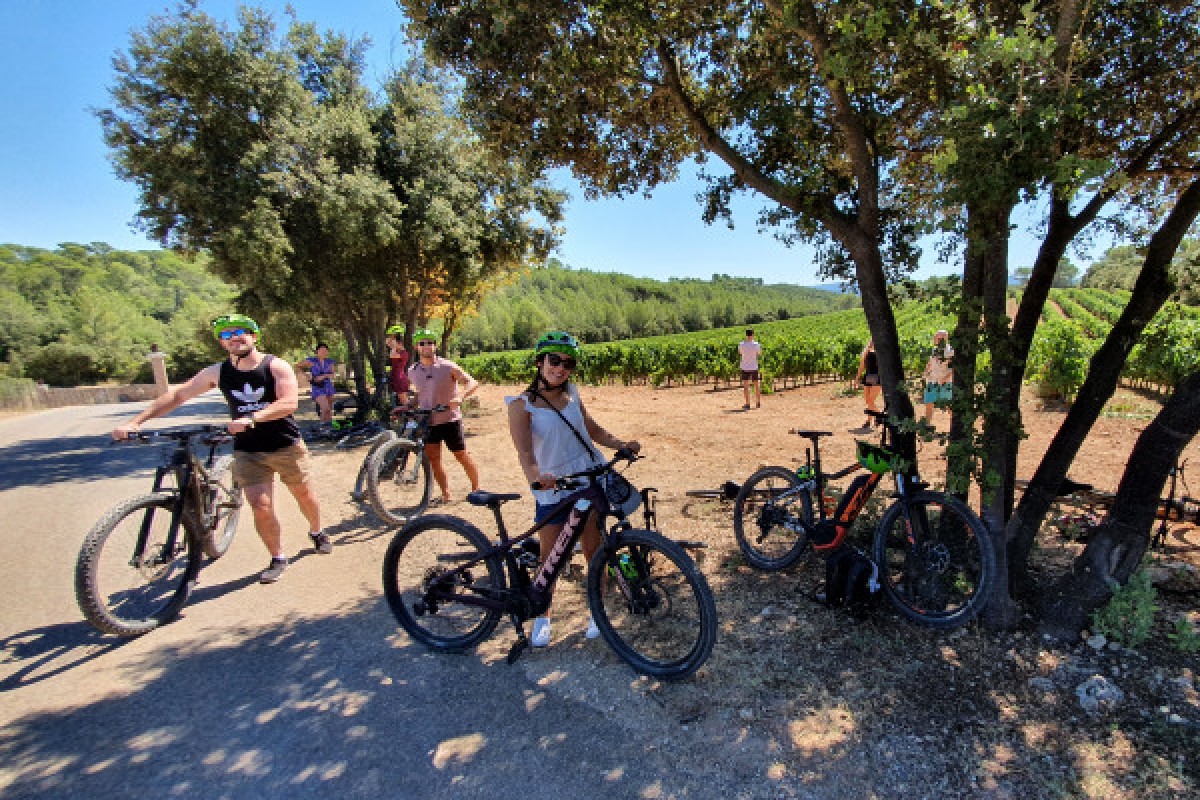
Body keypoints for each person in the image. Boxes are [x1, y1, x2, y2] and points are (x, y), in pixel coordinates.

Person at [113, 314, 329, 584]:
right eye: (226, 335)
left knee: (304, 495)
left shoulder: (276, 366)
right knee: (259, 505)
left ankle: (317, 531)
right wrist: (135, 422)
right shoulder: (217, 372)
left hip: (285, 445)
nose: (234, 338)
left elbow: (288, 403)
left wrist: (252, 418)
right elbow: (178, 395)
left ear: (254, 336)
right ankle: (278, 557)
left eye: (240, 332)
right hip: (248, 451)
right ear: (222, 343)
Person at [506, 331, 641, 648]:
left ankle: (597, 609)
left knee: (595, 550)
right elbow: (525, 453)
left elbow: (591, 429)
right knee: (550, 556)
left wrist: (621, 444)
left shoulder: (572, 394)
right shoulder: (522, 405)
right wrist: (536, 476)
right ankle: (543, 614)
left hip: (587, 480)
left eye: (568, 363)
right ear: (540, 361)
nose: (561, 368)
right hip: (553, 486)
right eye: (554, 360)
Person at [406, 327, 481, 506]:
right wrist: (410, 404)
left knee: (461, 455)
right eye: (422, 343)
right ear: (417, 347)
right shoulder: (412, 371)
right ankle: (446, 494)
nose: (427, 346)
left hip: (449, 419)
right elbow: (421, 393)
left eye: (430, 343)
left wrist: (460, 397)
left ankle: (477, 489)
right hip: (428, 420)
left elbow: (472, 382)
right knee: (434, 459)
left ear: (436, 346)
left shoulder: (448, 366)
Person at [922, 329, 954, 425]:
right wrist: (925, 373)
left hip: (946, 383)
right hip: (933, 381)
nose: (934, 339)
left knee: (948, 405)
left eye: (937, 337)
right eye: (935, 337)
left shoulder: (950, 351)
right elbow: (931, 362)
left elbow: (954, 367)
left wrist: (946, 378)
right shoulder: (935, 350)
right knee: (929, 402)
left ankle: (955, 425)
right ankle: (927, 425)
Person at [301, 343, 337, 423]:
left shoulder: (330, 361)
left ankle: (328, 429)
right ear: (317, 351)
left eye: (326, 351)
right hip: (317, 387)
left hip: (328, 386)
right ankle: (323, 428)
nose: (324, 352)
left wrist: (324, 376)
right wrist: (306, 375)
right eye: (322, 350)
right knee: (325, 409)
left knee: (329, 411)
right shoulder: (311, 361)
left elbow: (333, 374)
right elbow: (297, 366)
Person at [852, 338, 881, 433]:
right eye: (871, 341)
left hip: (877, 378)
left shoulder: (881, 352)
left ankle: (879, 416)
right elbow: (861, 367)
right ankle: (870, 421)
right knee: (867, 400)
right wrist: (856, 379)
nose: (872, 342)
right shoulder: (866, 353)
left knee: (870, 400)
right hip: (868, 377)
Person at [385, 324, 410, 405]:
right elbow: (387, 342)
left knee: (405, 402)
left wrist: (394, 346)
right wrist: (392, 336)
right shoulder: (398, 351)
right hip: (395, 377)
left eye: (396, 343)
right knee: (400, 402)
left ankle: (413, 416)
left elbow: (391, 355)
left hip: (400, 379)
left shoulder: (403, 353)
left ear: (400, 344)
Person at [738, 329, 762, 410]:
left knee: (746, 385)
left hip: (745, 367)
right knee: (756, 384)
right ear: (753, 335)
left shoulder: (741, 344)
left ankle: (748, 404)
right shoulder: (756, 344)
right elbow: (759, 353)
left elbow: (740, 353)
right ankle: (758, 402)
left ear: (746, 335)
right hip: (754, 367)